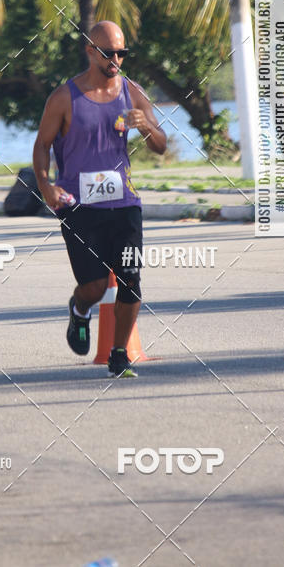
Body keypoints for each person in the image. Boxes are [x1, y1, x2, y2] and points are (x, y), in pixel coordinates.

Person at [33, 21, 167, 377]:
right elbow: (42, 145)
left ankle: (119, 352)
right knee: (92, 286)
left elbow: (160, 145)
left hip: (124, 204)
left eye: (122, 53)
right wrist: (46, 187)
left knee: (130, 279)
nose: (116, 60)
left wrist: (147, 126)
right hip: (79, 207)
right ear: (91, 51)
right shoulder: (65, 97)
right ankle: (79, 310)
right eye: (109, 53)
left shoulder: (132, 91)